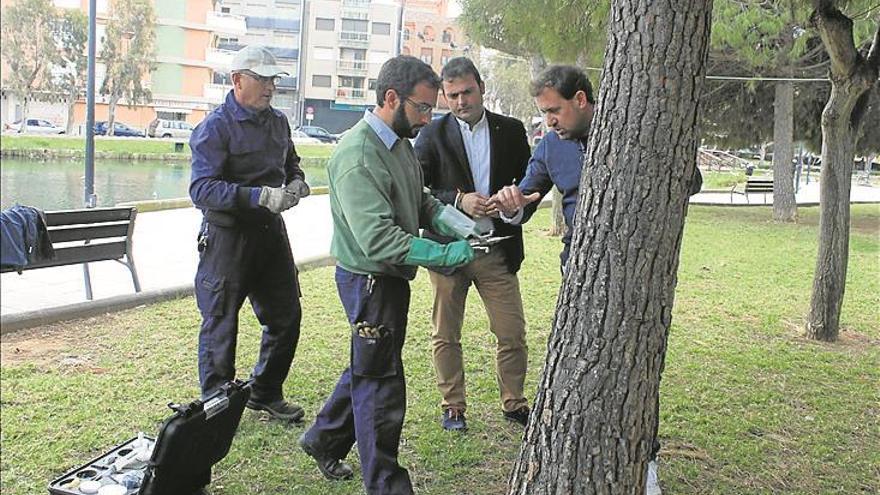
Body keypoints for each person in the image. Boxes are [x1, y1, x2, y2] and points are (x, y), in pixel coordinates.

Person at [492, 64, 702, 495]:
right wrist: (511, 203)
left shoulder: (634, 127)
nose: (548, 120)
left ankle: (645, 465)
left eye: (554, 110)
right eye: (544, 113)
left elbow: (691, 180)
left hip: (636, 276)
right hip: (579, 275)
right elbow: (525, 202)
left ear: (581, 100)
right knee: (581, 367)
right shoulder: (550, 146)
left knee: (637, 371)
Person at [298, 55, 476, 495]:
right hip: (369, 280)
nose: (428, 117)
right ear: (390, 98)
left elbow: (419, 200)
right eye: (421, 107)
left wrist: (454, 220)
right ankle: (387, 485)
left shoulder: (399, 142)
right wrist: (442, 253)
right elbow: (378, 240)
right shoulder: (358, 155)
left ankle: (322, 439)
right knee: (381, 385)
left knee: (369, 362)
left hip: (387, 279)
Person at [189, 45, 310, 422]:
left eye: (273, 79)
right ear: (237, 80)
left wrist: (296, 183)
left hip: (270, 234)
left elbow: (292, 163)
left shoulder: (278, 123)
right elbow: (201, 189)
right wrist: (256, 196)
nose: (270, 87)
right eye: (262, 79)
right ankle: (218, 406)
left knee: (286, 315)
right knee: (220, 323)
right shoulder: (215, 127)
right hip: (227, 237)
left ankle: (265, 391)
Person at [414, 57, 532, 431]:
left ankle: (514, 402)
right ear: (444, 98)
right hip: (447, 251)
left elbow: (530, 188)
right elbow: (419, 192)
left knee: (511, 331)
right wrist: (458, 200)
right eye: (452, 95)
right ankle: (453, 406)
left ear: (481, 87)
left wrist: (513, 207)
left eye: (467, 92)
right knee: (445, 334)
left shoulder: (511, 131)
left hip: (496, 247)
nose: (461, 101)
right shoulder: (431, 134)